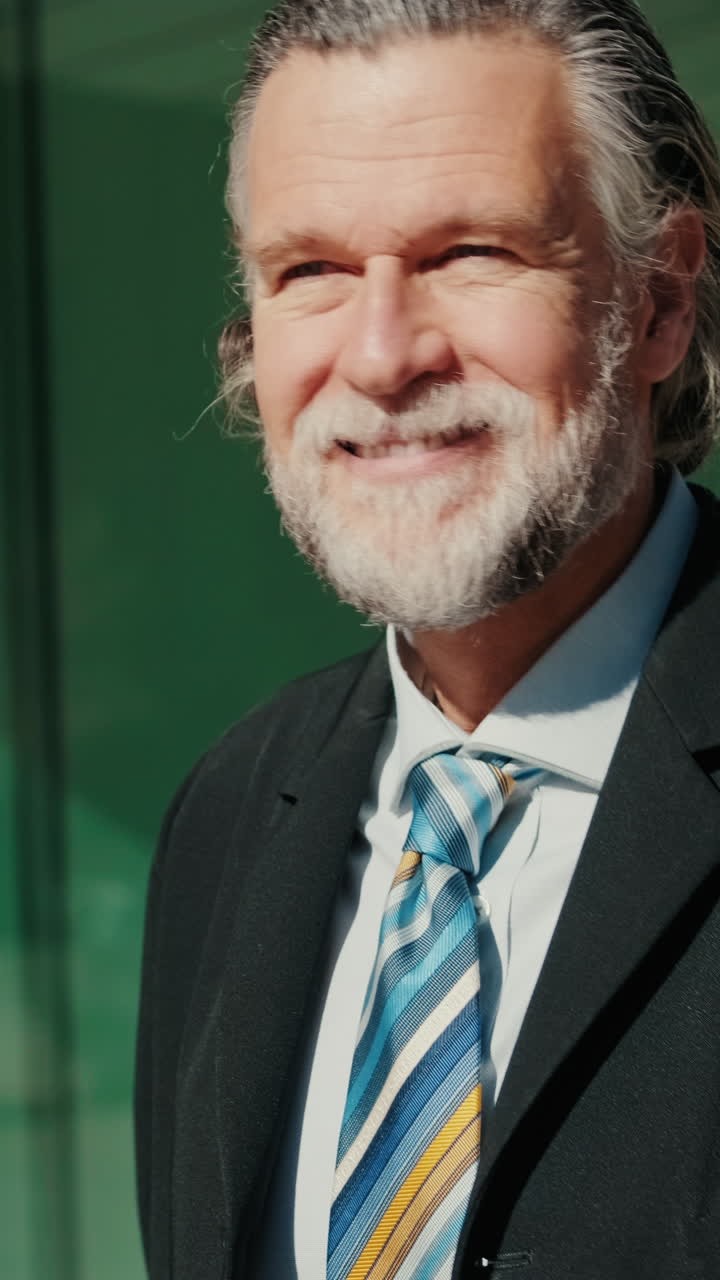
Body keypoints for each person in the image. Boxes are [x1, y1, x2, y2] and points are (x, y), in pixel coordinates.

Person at [134, 2, 720, 1278]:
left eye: (470, 251)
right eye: (311, 272)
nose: (385, 353)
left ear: (663, 300)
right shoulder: (228, 814)